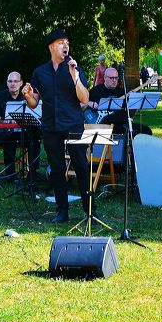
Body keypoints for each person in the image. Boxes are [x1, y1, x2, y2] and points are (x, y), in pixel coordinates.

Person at [22, 30, 92, 224]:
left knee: (81, 167)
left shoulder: (74, 69)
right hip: (50, 126)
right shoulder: (40, 72)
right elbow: (35, 102)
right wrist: (28, 95)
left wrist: (75, 76)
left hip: (73, 124)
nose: (65, 46)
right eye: (61, 43)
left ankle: (90, 211)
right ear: (51, 47)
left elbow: (84, 98)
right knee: (56, 168)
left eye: (67, 43)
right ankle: (62, 211)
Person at [0, 71, 41, 181]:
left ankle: (32, 174)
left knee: (35, 139)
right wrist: (7, 120)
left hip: (23, 132)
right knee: (9, 140)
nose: (13, 84)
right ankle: (10, 175)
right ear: (7, 83)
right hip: (5, 132)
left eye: (16, 81)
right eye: (10, 81)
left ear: (21, 83)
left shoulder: (27, 97)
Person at [87, 67, 153, 136]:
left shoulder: (121, 91)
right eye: (111, 78)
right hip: (105, 126)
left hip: (123, 124)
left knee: (146, 131)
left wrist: (133, 98)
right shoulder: (96, 91)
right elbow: (82, 103)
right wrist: (90, 103)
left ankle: (133, 146)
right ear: (105, 78)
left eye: (116, 78)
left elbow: (130, 107)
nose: (114, 80)